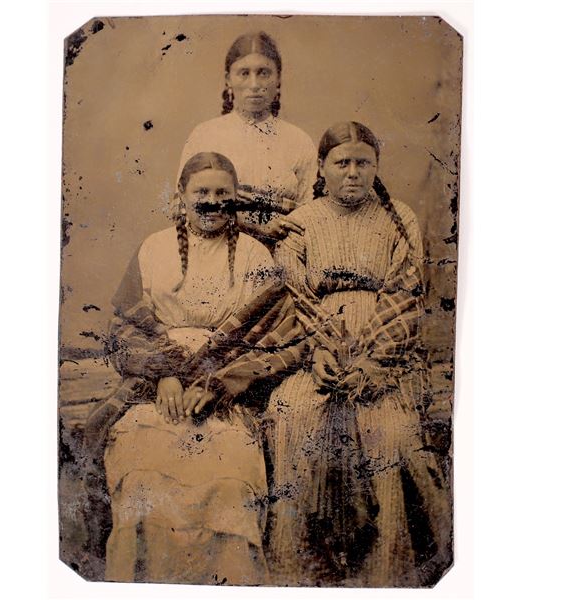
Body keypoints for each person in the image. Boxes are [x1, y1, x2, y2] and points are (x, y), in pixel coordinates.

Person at [99, 152, 305, 584]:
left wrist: (220, 382)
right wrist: (165, 373)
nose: (212, 202)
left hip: (225, 384)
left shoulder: (254, 254)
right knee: (142, 481)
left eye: (222, 194)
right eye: (201, 193)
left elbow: (269, 331)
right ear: (182, 195)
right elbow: (126, 327)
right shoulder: (153, 248)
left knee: (228, 487)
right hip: (158, 381)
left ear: (235, 200)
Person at [264, 122, 452, 586]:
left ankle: (382, 574)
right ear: (323, 168)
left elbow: (406, 296)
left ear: (376, 167)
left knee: (388, 432)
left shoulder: (398, 218)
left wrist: (371, 361)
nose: (352, 173)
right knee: (292, 413)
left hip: (383, 358)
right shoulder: (302, 220)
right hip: (317, 352)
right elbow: (293, 295)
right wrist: (318, 352)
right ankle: (296, 570)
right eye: (341, 163)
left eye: (363, 163)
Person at [177, 31, 316, 247]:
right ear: (228, 80)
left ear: (278, 79)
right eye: (244, 73)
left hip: (285, 251)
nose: (254, 84)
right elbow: (183, 206)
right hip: (218, 248)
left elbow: (312, 211)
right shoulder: (205, 136)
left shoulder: (299, 141)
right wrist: (255, 228)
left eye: (264, 73)